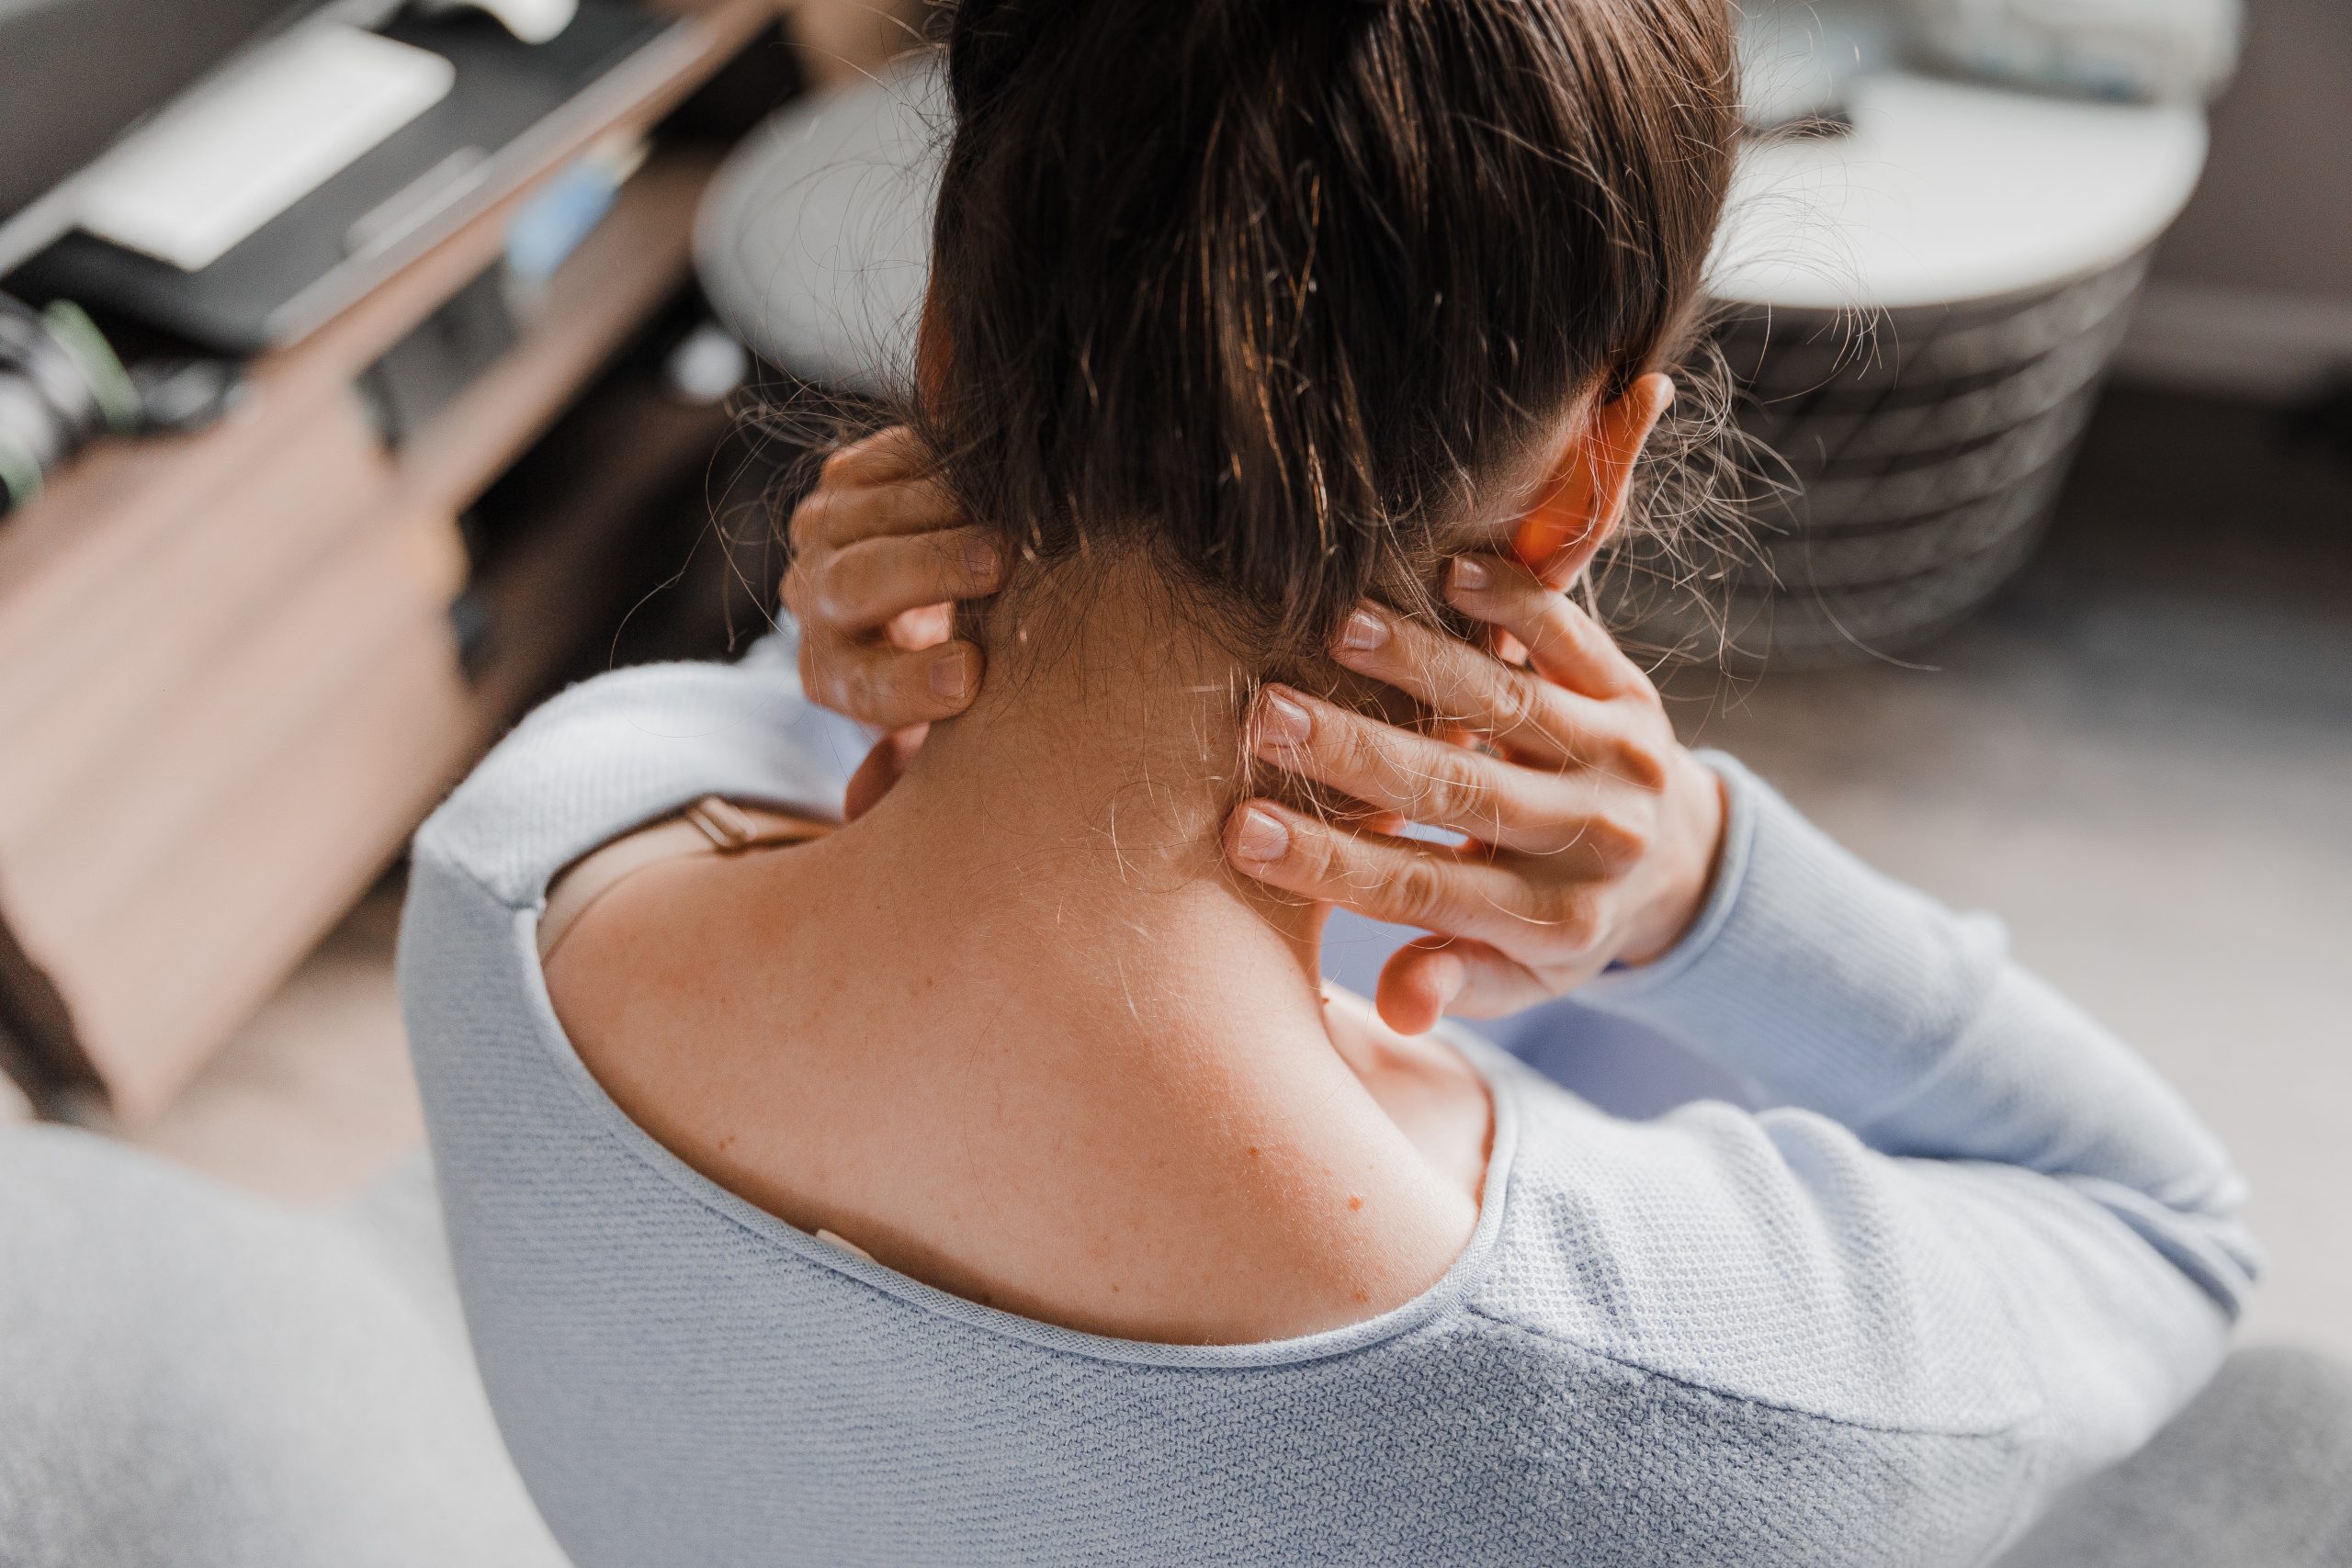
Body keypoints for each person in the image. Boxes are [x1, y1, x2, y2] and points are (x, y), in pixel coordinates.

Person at [398, 1, 2256, 1562]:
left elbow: (745, 748)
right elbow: (2162, 1221)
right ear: (1582, 479)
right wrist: (1697, 882)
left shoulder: (516, 864)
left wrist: (841, 646)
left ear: (945, 334)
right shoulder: (1696, 1404)